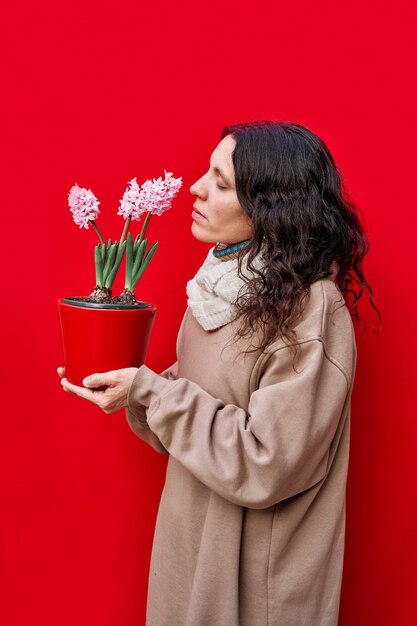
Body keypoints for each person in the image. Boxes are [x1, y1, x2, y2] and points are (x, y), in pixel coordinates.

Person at [58, 120, 379, 626]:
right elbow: (195, 425)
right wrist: (133, 393)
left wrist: (154, 392)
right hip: (187, 559)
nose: (196, 188)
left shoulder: (312, 309)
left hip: (253, 587)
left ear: (271, 207)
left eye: (221, 182)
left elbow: (268, 462)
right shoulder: (217, 290)